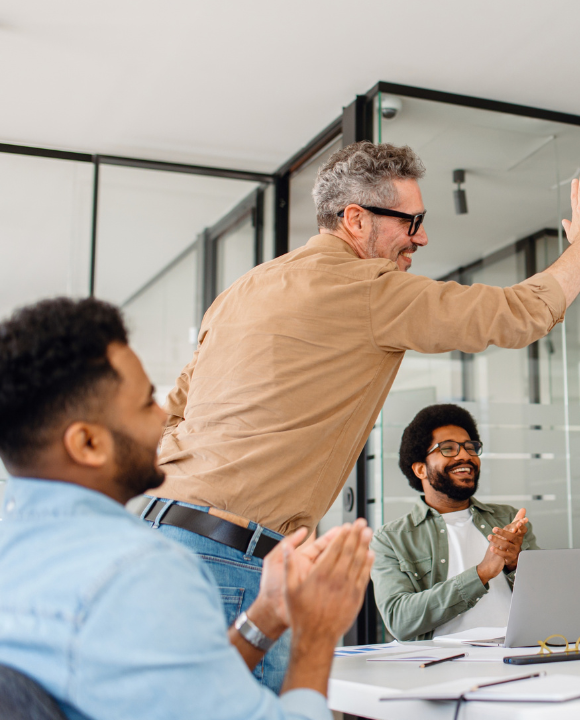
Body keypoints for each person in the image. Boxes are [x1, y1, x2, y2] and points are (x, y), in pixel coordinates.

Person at [143, 142, 580, 689]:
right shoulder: (368, 289)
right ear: (355, 219)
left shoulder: (243, 289)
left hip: (159, 538)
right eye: (411, 221)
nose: (422, 236)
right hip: (234, 564)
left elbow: (171, 410)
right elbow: (517, 316)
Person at [0, 297, 375, 720]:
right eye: (146, 404)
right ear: (88, 444)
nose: (164, 416)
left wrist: (267, 615)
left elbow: (181, 701)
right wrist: (317, 632)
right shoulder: (140, 570)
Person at [371, 404, 536, 641]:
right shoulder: (391, 539)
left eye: (471, 448)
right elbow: (399, 620)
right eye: (447, 448)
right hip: (442, 667)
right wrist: (481, 574)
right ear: (420, 470)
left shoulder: (508, 519)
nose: (465, 456)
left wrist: (514, 565)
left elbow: (547, 599)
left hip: (518, 655)